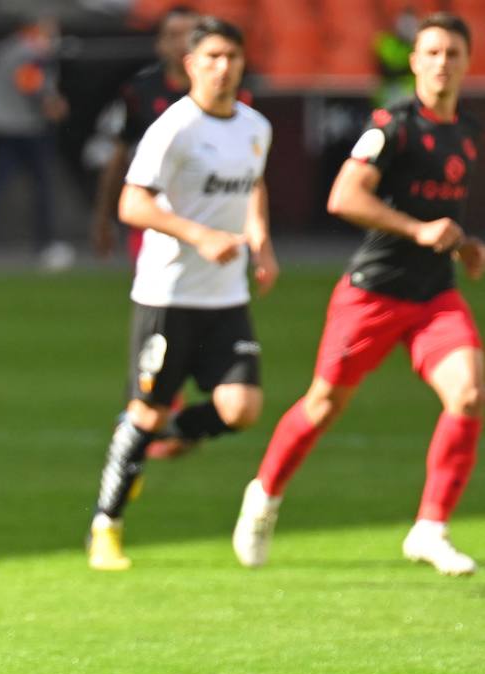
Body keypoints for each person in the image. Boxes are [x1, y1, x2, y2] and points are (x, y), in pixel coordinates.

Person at [233, 13, 485, 576]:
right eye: (433, 53)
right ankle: (265, 496)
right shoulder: (391, 126)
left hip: (434, 295)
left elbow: (437, 213)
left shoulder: (467, 134)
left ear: (467, 63)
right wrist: (420, 231)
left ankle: (430, 528)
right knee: (324, 405)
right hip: (373, 292)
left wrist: (463, 244)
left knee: (468, 395)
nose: (443, 63)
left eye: (453, 53)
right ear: (415, 61)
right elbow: (343, 197)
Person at [86, 17, 278, 571]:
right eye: (212, 57)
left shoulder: (255, 126)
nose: (223, 68)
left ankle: (153, 444)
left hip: (224, 296)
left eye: (232, 58)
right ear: (191, 64)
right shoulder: (174, 129)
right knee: (144, 411)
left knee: (241, 408)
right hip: (168, 296)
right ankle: (107, 526)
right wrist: (199, 234)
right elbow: (133, 204)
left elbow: (254, 182)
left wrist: (260, 242)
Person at [0, 15, 75, 270]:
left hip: (1, 124)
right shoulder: (28, 51)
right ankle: (45, 245)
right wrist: (50, 102)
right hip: (26, 127)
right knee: (43, 184)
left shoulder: (7, 48)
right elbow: (30, 83)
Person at [91, 6, 200, 263]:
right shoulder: (140, 91)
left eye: (191, 35)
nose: (183, 43)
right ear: (160, 43)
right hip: (154, 212)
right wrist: (102, 217)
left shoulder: (223, 94)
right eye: (174, 35)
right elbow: (118, 156)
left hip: (205, 212)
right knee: (155, 296)